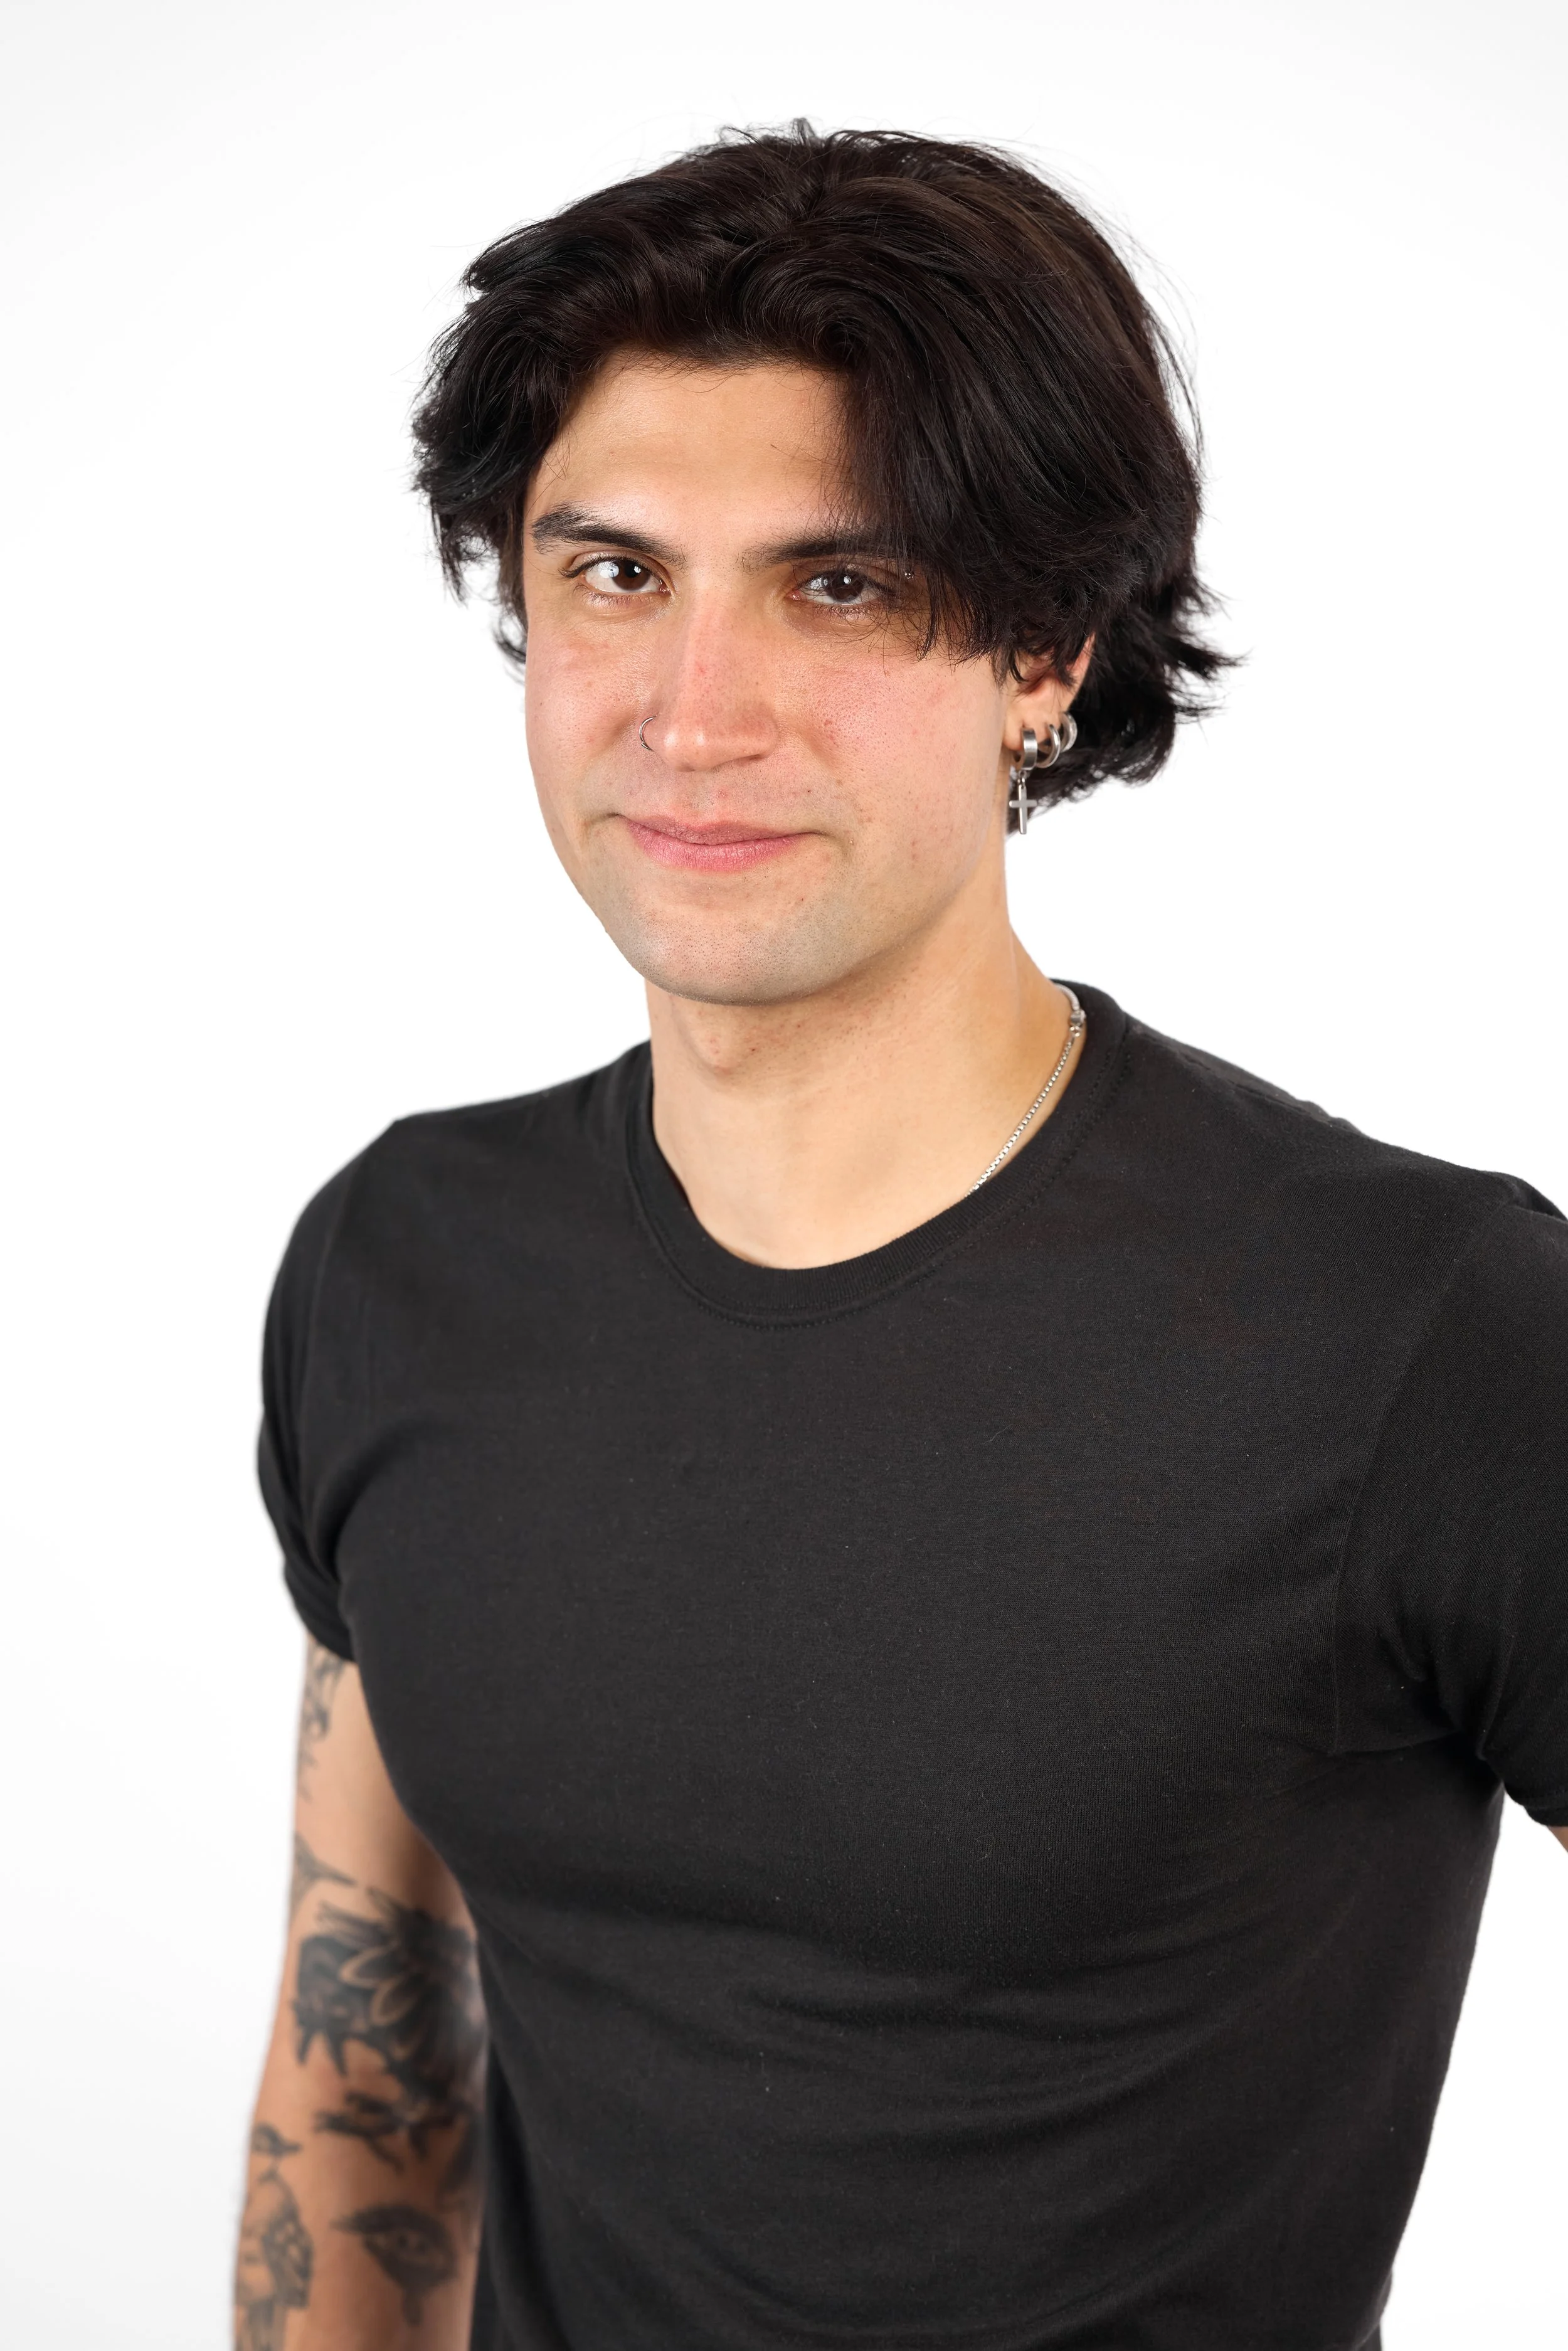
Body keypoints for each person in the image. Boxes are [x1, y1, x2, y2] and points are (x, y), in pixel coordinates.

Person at [238, 125, 1568, 2351]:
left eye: (835, 583)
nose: (692, 712)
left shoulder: (1407, 1326)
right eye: (615, 572)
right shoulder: (402, 1259)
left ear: (1046, 644)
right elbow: (367, 2062)